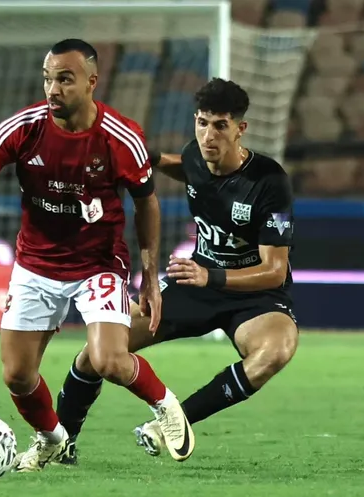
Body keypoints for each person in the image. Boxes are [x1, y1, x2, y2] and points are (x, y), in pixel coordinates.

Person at [0, 39, 194, 472]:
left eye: (64, 79)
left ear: (91, 82)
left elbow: (147, 203)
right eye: (48, 79)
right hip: (36, 264)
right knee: (16, 375)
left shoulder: (121, 137)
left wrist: (149, 277)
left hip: (98, 264)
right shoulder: (24, 127)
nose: (53, 89)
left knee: (108, 360)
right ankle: (52, 440)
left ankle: (166, 406)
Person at [53, 78, 298, 463]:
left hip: (254, 294)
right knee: (99, 352)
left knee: (277, 350)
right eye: (202, 123)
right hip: (195, 285)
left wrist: (211, 276)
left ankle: (172, 421)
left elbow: (274, 271)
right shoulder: (195, 156)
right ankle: (59, 442)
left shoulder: (269, 181)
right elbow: (186, 168)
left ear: (240, 129)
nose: (208, 135)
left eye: (220, 125)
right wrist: (146, 158)